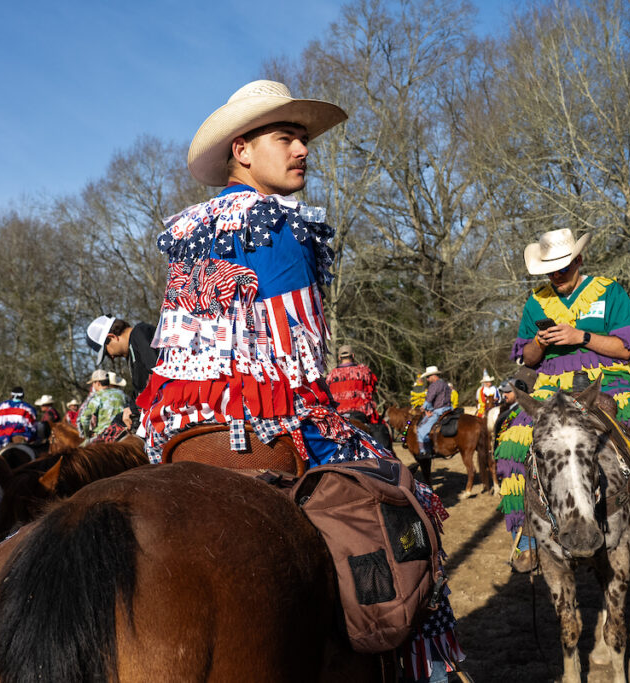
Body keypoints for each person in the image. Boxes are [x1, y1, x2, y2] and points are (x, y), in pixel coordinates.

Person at [139, 79, 464, 680]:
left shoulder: (189, 230)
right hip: (264, 410)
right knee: (406, 498)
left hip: (180, 420)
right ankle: (421, 663)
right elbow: (300, 354)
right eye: (286, 137)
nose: (302, 150)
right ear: (242, 150)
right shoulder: (281, 223)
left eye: (304, 139)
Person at [496, 228, 630, 573]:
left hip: (609, 378)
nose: (556, 275)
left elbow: (626, 349)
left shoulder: (609, 292)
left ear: (579, 260)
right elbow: (528, 359)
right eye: (550, 269)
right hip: (551, 384)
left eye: (563, 267)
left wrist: (580, 336)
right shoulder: (536, 301)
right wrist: (541, 343)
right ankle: (527, 537)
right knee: (512, 441)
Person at [85, 316, 159, 431]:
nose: (112, 357)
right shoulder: (133, 349)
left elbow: (157, 373)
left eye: (107, 352)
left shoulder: (140, 332)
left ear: (112, 337)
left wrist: (134, 408)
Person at [326, 345, 380, 422]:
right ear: (353, 356)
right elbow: (372, 390)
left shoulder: (330, 376)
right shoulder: (364, 372)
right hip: (360, 414)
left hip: (338, 416)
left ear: (339, 358)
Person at [415, 366, 452, 460]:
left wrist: (423, 408)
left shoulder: (434, 385)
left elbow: (429, 399)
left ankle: (425, 452)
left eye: (428, 377)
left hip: (439, 411)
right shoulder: (445, 384)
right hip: (449, 409)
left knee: (421, 429)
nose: (427, 379)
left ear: (433, 376)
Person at [78, 369, 126, 440]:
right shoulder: (122, 394)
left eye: (93, 383)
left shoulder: (96, 397)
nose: (93, 386)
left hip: (103, 435)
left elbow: (84, 418)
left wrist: (86, 435)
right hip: (122, 433)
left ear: (97, 383)